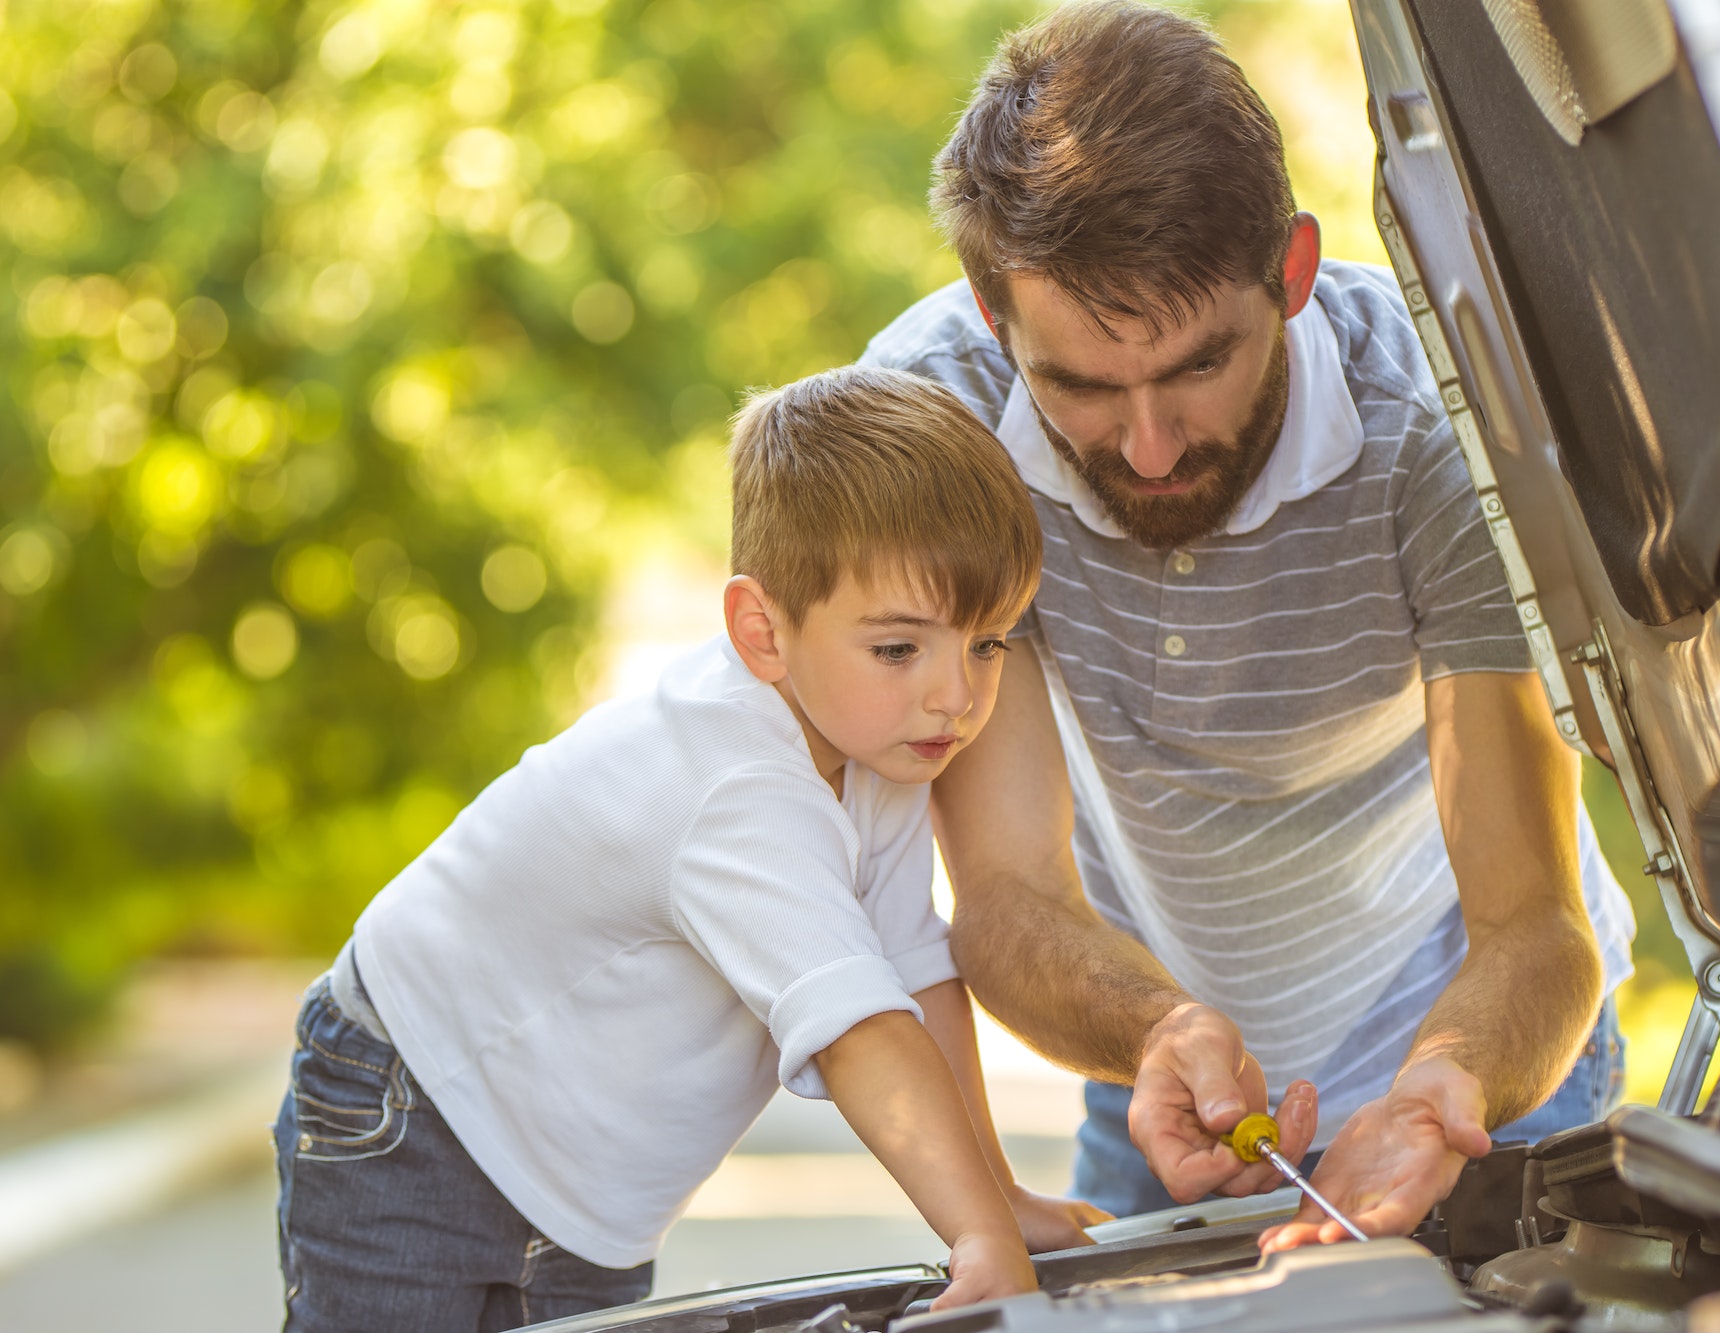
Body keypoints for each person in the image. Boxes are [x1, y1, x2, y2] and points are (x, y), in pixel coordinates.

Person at [861, 0, 1636, 1245]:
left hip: (1475, 1063)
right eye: (1079, 386)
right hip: (1163, 1064)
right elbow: (1004, 892)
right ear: (989, 304)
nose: (1149, 444)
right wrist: (1161, 1034)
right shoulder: (935, 428)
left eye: (1197, 367)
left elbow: (1531, 922)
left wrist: (1445, 1086)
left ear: (1291, 269)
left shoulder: (1437, 435)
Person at [272, 366, 1106, 1331]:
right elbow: (860, 1033)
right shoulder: (734, 782)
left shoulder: (877, 751)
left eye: (988, 644)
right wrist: (980, 1241)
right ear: (762, 631)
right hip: (419, 1097)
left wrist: (992, 1203)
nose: (955, 696)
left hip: (587, 1175)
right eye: (898, 648)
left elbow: (915, 979)